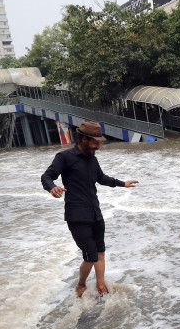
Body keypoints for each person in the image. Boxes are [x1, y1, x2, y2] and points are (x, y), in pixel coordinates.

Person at [41, 121, 138, 298]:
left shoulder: (92, 159)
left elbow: (101, 178)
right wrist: (51, 187)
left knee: (100, 250)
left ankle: (101, 285)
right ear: (84, 139)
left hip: (95, 213)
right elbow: (47, 176)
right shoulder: (64, 157)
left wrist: (122, 183)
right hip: (77, 216)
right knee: (90, 256)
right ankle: (80, 285)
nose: (98, 145)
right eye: (95, 141)